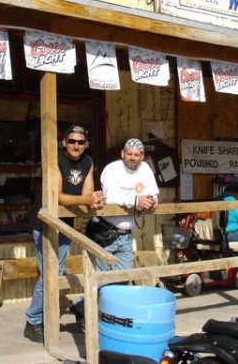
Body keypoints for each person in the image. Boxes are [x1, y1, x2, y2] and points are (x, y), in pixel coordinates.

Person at [23, 125, 104, 343]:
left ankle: (44, 316)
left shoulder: (88, 162)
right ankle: (33, 321)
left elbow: (87, 192)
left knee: (53, 273)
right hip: (44, 224)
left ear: (86, 145)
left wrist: (93, 199)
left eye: (80, 142)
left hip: (66, 224)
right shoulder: (55, 159)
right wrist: (86, 200)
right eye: (71, 141)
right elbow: (57, 195)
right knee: (50, 274)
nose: (76, 145)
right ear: (64, 142)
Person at [71, 138, 159, 332]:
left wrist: (152, 201)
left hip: (126, 234)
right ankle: (90, 314)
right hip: (104, 231)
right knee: (103, 281)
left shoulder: (145, 169)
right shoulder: (112, 169)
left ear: (142, 156)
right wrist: (136, 200)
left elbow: (153, 192)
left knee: (122, 278)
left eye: (137, 155)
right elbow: (109, 197)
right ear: (122, 154)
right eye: (130, 154)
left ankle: (87, 308)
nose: (133, 158)